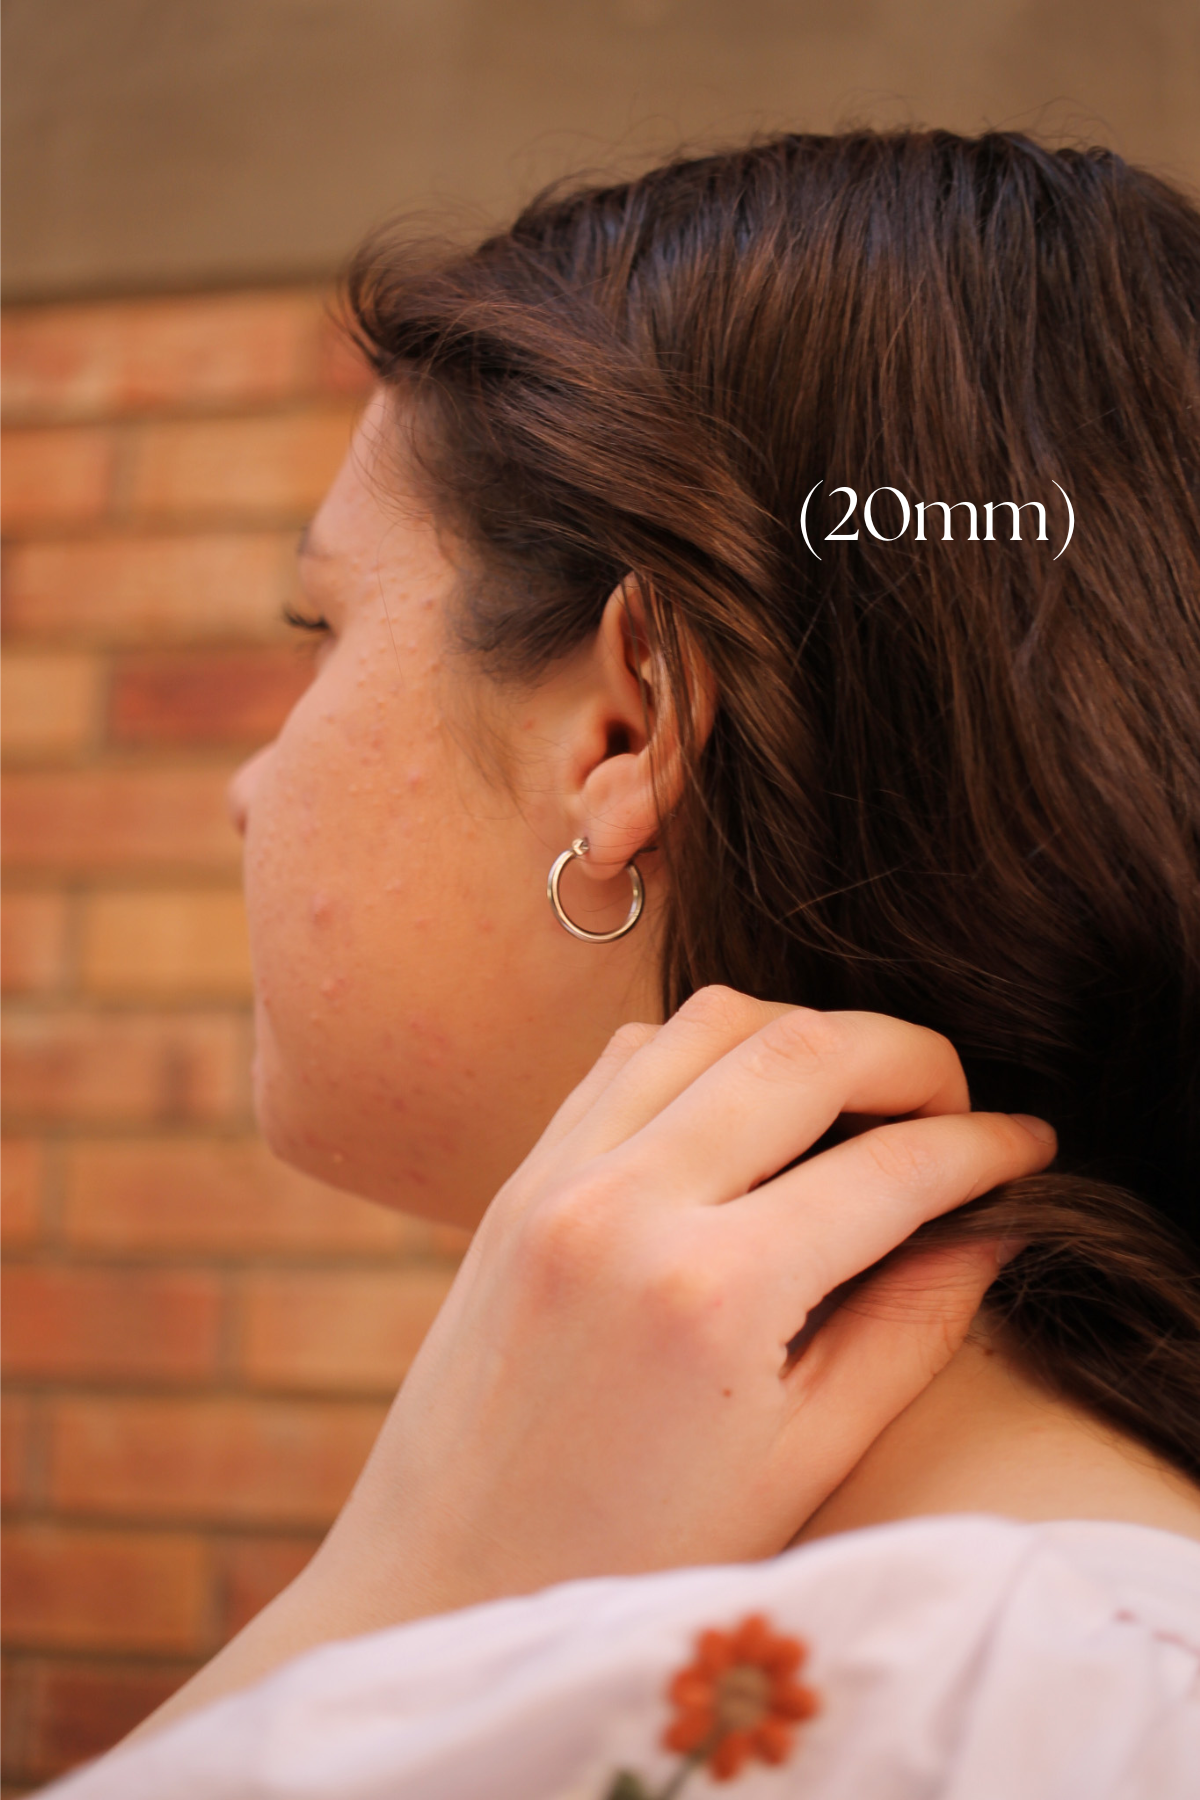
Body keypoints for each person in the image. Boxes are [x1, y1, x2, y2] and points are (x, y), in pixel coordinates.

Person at [49, 128, 1200, 1797]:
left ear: (625, 723)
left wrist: (405, 1602)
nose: (252, 785)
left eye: (325, 625)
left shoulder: (939, 1704)